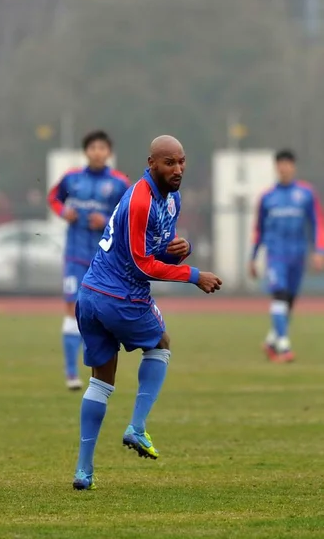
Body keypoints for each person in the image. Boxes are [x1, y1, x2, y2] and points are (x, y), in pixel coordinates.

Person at [72, 135, 222, 490]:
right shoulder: (140, 198)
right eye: (170, 163)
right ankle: (137, 428)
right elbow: (142, 266)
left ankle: (83, 471)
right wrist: (195, 275)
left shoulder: (172, 201)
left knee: (100, 380)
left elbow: (155, 253)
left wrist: (179, 252)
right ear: (151, 163)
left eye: (182, 162)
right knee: (161, 342)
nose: (178, 169)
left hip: (90, 293)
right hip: (120, 296)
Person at [47, 130, 130, 390]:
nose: (97, 152)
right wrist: (64, 211)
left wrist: (106, 221)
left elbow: (128, 214)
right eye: (93, 147)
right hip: (74, 256)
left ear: (109, 153)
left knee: (98, 312)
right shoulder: (73, 178)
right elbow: (53, 197)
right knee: (72, 309)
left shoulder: (119, 183)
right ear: (86, 151)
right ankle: (71, 373)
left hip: (104, 259)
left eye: (102, 148)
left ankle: (96, 369)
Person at [250, 149, 324, 363]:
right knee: (280, 295)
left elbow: (317, 223)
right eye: (280, 163)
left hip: (297, 257)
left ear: (293, 167)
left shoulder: (306, 194)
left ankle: (271, 341)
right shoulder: (267, 197)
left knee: (288, 302)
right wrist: (253, 257)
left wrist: (319, 251)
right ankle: (283, 347)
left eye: (288, 163)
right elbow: (258, 229)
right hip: (276, 257)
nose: (284, 167)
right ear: (276, 167)